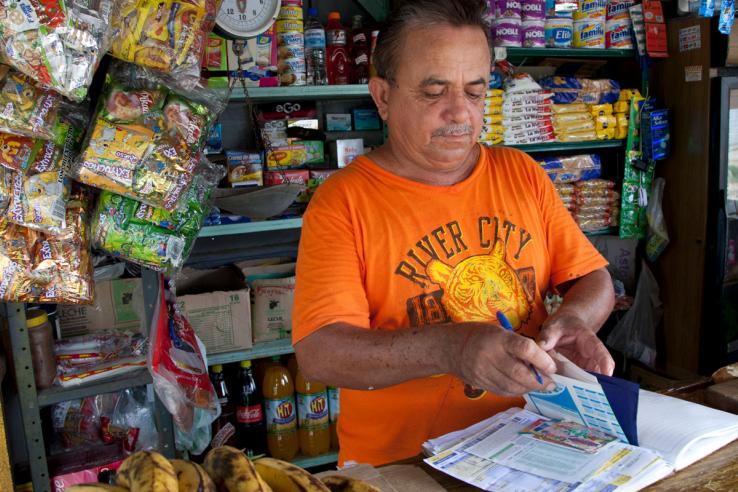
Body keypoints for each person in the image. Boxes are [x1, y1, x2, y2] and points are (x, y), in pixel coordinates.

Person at [293, 0, 616, 466]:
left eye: (474, 91)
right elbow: (320, 351)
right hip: (406, 467)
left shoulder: (520, 173)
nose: (459, 113)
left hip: (535, 447)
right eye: (434, 91)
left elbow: (592, 279)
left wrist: (576, 319)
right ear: (382, 96)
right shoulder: (343, 201)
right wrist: (453, 348)